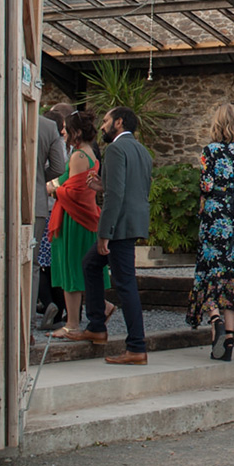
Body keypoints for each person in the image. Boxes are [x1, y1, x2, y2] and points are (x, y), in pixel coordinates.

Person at [187, 103, 234, 361]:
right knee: (233, 276)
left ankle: (216, 320)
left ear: (216, 125)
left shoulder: (209, 151)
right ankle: (229, 338)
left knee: (212, 273)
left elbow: (205, 186)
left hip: (215, 217)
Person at [86, 106, 153, 365]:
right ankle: (96, 326)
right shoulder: (142, 151)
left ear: (119, 122)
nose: (102, 126)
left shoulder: (114, 149)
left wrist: (105, 234)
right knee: (91, 264)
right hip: (134, 222)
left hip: (119, 226)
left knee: (125, 285)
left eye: (106, 121)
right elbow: (133, 187)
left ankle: (136, 347)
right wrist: (104, 184)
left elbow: (115, 196)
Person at [45, 108, 101, 342]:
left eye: (66, 129)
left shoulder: (78, 156)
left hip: (74, 219)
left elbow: (75, 192)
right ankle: (102, 307)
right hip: (81, 218)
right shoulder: (89, 153)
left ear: (76, 132)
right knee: (80, 269)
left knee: (70, 269)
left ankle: (72, 324)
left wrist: (53, 189)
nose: (63, 132)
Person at [33, 102, 71, 331]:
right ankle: (28, 325)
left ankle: (47, 304)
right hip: (40, 203)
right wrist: (38, 179)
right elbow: (58, 167)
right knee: (35, 263)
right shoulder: (48, 128)